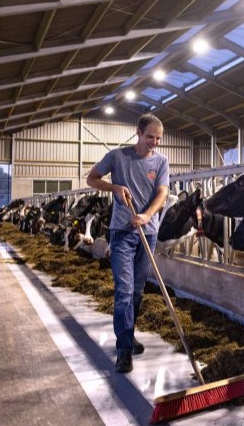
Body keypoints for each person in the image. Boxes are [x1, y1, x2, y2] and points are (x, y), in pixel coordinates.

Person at [86, 113, 169, 373]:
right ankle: (123, 350)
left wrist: (147, 215)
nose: (154, 142)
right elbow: (92, 178)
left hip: (149, 232)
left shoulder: (161, 161)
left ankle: (128, 334)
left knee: (138, 291)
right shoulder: (118, 157)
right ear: (138, 133)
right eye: (149, 137)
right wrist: (114, 188)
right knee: (124, 289)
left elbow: (163, 193)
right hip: (121, 232)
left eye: (158, 138)